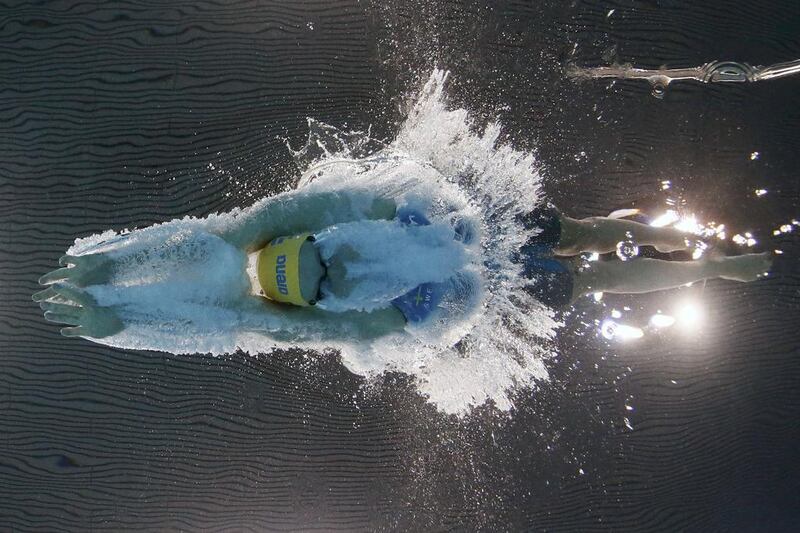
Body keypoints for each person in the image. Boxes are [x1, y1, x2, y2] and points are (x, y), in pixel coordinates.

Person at [33, 190, 772, 340]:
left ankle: (662, 238)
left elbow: (323, 204)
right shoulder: (268, 314)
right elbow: (338, 334)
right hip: (444, 277)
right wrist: (406, 314)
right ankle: (706, 272)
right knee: (596, 276)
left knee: (577, 230)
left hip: (441, 236)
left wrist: (402, 211)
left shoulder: (252, 232)